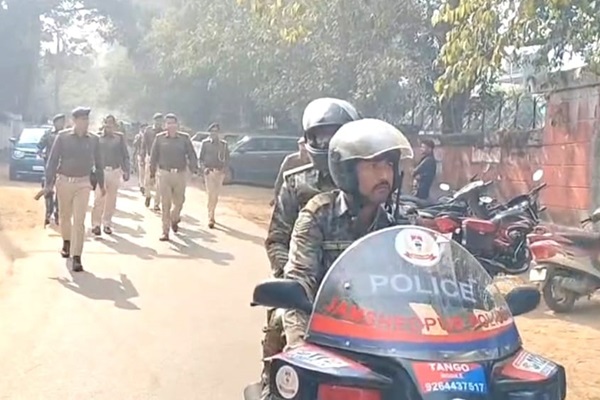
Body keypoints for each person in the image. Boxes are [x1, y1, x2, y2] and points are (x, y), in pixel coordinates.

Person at [259, 98, 361, 400]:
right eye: (321, 136)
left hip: (364, 294)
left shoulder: (370, 182)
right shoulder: (296, 183)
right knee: (279, 323)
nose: (328, 143)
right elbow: (277, 238)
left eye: (335, 134)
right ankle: (272, 385)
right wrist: (291, 282)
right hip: (308, 292)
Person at [282, 118, 414, 347]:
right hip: (326, 329)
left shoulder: (401, 222)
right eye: (374, 166)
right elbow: (300, 281)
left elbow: (428, 284)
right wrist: (300, 349)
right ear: (346, 172)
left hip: (388, 334)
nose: (385, 175)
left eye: (388, 165)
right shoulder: (317, 216)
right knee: (279, 326)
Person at [44, 107, 105, 272]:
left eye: (87, 119)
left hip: (83, 183)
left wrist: (102, 184)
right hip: (64, 181)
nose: (86, 123)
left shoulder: (93, 140)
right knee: (65, 216)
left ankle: (77, 256)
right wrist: (48, 183)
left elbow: (99, 163)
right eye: (82, 119)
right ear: (74, 121)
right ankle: (67, 242)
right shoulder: (62, 137)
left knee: (79, 220)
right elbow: (52, 161)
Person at [149, 113, 198, 241]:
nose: (171, 126)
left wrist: (194, 170)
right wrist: (152, 174)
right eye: (168, 123)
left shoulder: (184, 138)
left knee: (179, 201)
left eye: (173, 123)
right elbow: (153, 157)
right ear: (165, 125)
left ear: (177, 125)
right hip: (164, 174)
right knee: (165, 203)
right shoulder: (159, 138)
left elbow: (192, 155)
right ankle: (165, 231)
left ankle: (174, 218)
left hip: (180, 174)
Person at [90, 115, 130, 236]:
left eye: (111, 124)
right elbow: (91, 155)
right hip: (101, 172)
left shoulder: (119, 138)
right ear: (104, 124)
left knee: (111, 200)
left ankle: (107, 223)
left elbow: (125, 155)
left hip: (115, 171)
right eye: (107, 123)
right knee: (98, 199)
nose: (109, 126)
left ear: (114, 125)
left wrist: (126, 170)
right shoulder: (97, 138)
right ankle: (96, 224)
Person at [198, 123, 230, 229]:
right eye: (212, 131)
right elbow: (201, 159)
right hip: (209, 172)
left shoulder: (224, 145)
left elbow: (227, 159)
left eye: (216, 131)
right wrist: (204, 169)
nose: (214, 133)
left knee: (215, 195)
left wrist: (225, 170)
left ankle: (212, 211)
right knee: (211, 194)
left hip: (219, 172)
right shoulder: (205, 143)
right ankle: (210, 216)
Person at [38, 113, 66, 226]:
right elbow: (39, 146)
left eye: (63, 121)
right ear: (55, 123)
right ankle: (48, 214)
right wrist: (41, 154)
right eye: (59, 121)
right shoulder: (48, 134)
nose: (61, 124)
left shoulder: (67, 134)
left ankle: (57, 214)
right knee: (48, 190)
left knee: (61, 192)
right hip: (50, 166)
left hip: (63, 168)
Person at [270, 137, 309, 206]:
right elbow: (280, 179)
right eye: (302, 145)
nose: (304, 148)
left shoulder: (314, 161)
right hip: (291, 191)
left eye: (306, 145)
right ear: (299, 146)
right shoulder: (290, 160)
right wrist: (276, 196)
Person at [142, 113, 164, 210]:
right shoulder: (148, 131)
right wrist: (142, 156)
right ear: (154, 120)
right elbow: (143, 144)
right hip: (150, 157)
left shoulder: (164, 132)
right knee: (147, 179)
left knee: (159, 182)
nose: (159, 122)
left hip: (160, 159)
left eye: (160, 120)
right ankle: (148, 195)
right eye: (157, 120)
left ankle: (156, 203)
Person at [132, 123, 147, 194]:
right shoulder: (138, 136)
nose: (144, 129)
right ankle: (141, 185)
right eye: (143, 128)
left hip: (147, 155)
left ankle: (145, 185)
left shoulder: (148, 135)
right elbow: (134, 145)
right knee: (141, 171)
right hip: (140, 155)